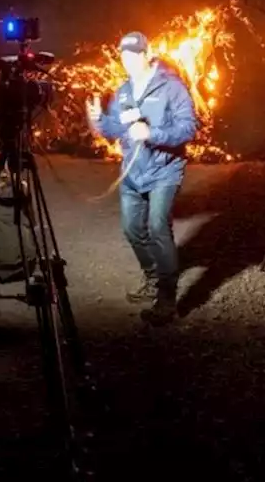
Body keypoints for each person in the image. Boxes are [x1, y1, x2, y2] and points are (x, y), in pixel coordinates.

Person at [87, 32, 198, 326]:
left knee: (158, 227)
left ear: (147, 54)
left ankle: (166, 299)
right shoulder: (123, 92)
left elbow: (189, 128)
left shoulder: (171, 87)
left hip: (164, 170)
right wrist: (98, 120)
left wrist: (153, 134)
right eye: (123, 55)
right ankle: (151, 276)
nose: (128, 60)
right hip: (133, 173)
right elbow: (113, 129)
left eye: (134, 54)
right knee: (132, 229)